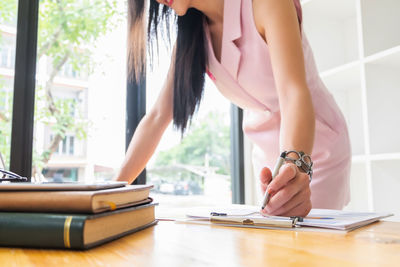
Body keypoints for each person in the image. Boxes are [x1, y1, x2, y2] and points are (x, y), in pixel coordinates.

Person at [115, 0, 351, 217]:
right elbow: (157, 117)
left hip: (311, 150)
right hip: (267, 158)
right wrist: (109, 192)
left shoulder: (265, 4)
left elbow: (292, 94)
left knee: (308, 249)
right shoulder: (194, 38)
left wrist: (295, 165)